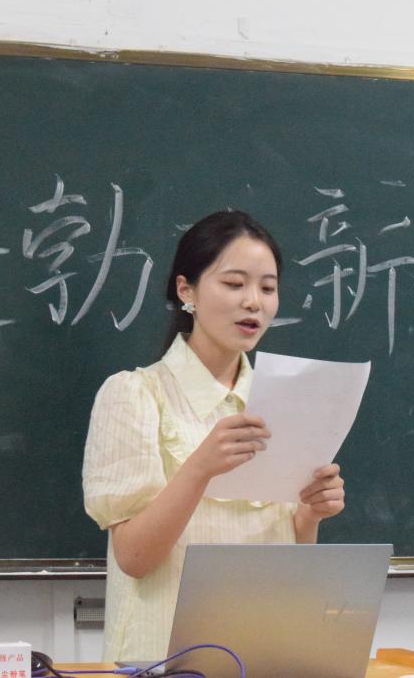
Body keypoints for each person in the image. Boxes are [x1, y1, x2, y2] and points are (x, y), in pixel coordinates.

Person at [82, 210, 346, 661]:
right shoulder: (135, 395)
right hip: (162, 658)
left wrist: (309, 515)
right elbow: (134, 558)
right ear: (187, 290)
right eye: (234, 284)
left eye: (268, 288)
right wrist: (199, 469)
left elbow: (292, 563)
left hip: (264, 653)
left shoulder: (283, 404)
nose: (254, 302)